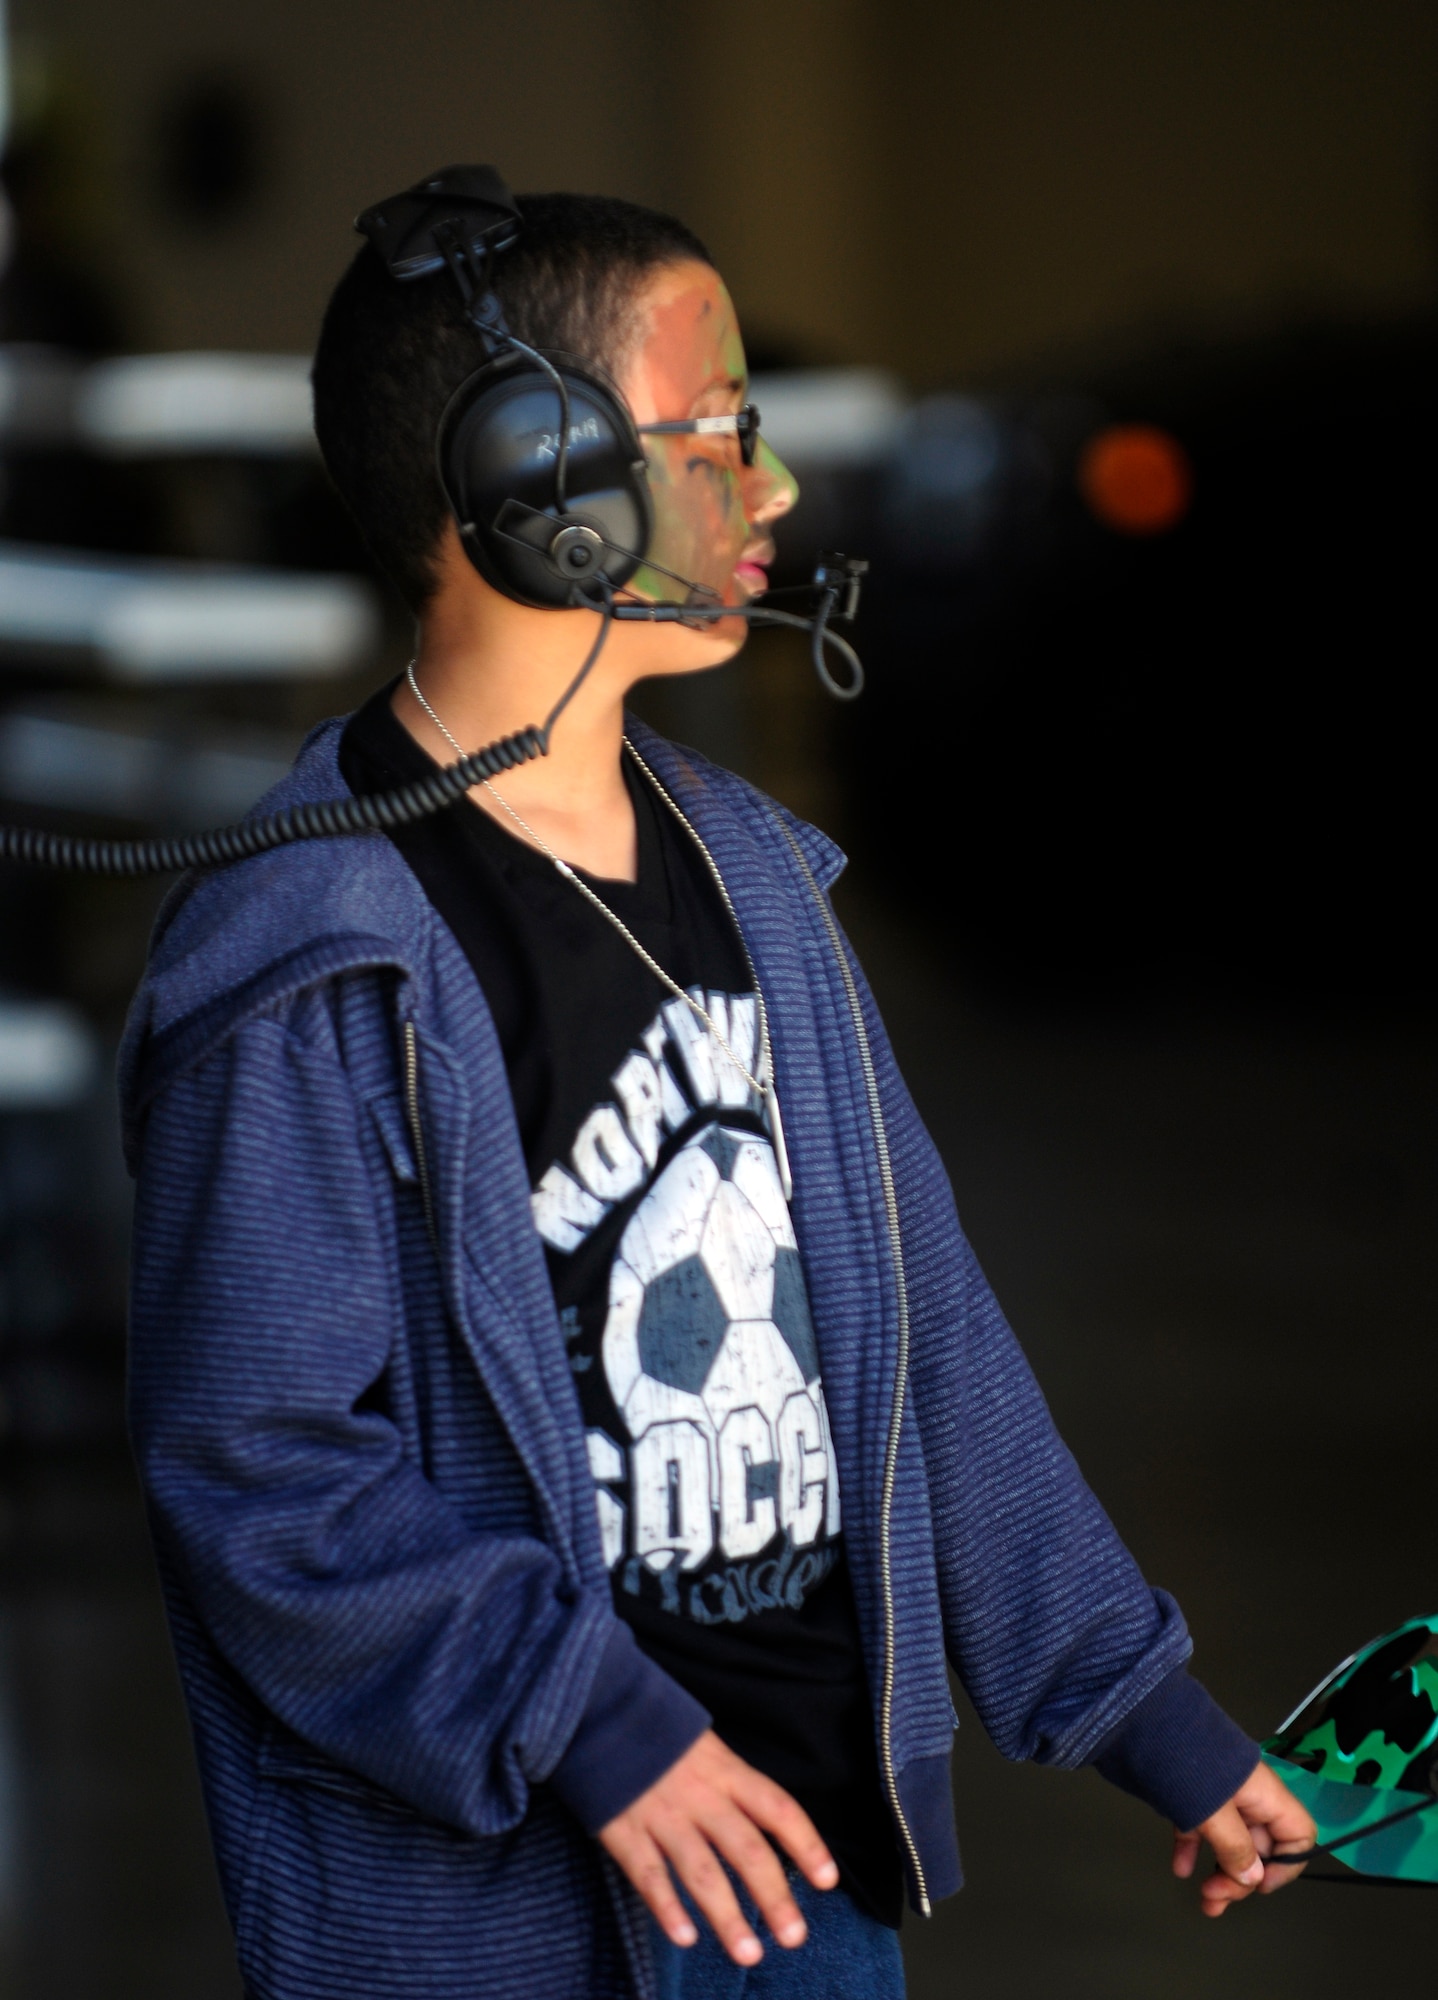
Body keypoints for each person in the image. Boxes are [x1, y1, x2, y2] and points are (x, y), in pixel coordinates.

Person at [120, 182, 1314, 2000]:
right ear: (541, 477)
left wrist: (1148, 1713)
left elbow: (927, 1345)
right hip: (501, 1914)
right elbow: (259, 1467)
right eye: (720, 434)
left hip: (803, 1879)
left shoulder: (761, 880)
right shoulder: (310, 961)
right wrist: (590, 1723)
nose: (773, 491)